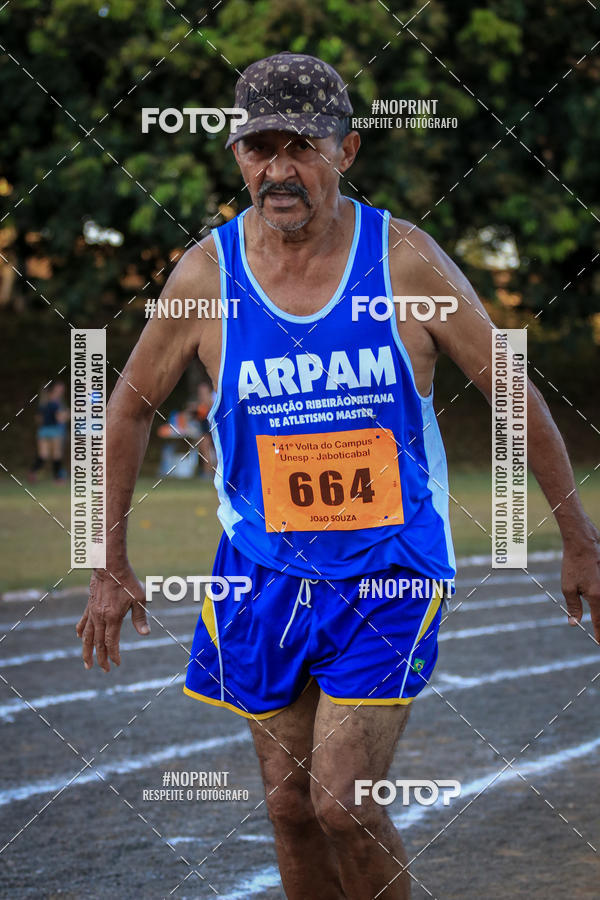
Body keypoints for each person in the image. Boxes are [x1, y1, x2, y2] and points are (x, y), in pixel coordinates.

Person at [76, 52, 600, 899]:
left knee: (344, 805)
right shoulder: (207, 277)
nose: (279, 169)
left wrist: (579, 539)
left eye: (302, 146)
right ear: (237, 156)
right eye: (259, 148)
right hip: (263, 571)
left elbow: (511, 386)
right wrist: (108, 562)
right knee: (287, 807)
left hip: (387, 568)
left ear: (346, 151)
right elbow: (128, 406)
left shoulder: (404, 261)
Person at [28, 380, 69, 482]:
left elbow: (38, 419)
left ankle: (32, 472)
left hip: (43, 431)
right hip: (54, 430)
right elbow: (60, 419)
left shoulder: (43, 403)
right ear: (54, 390)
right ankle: (58, 478)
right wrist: (69, 414)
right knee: (57, 455)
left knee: (43, 455)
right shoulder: (56, 404)